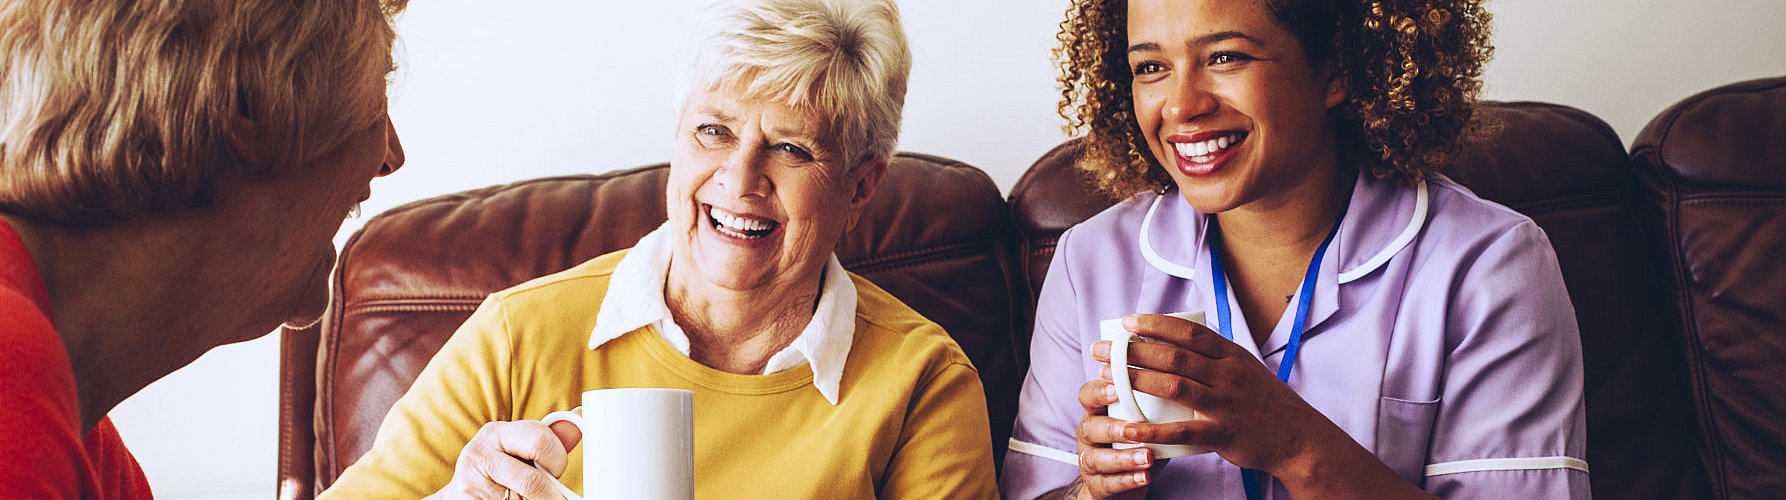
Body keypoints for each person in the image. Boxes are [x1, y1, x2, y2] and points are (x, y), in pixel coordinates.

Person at [318, 0, 998, 498]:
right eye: (713, 131)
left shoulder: (923, 380)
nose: (739, 180)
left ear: (860, 187)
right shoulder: (517, 333)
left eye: (791, 148)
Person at [1000, 0, 1589, 498]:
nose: (1180, 106)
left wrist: (1294, 443)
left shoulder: (1490, 264)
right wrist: (1092, 489)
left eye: (1225, 56)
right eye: (1150, 67)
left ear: (1335, 67)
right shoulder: (1090, 260)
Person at [0, 0, 409, 497]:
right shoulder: (10, 383)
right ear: (250, 106)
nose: (391, 155)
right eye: (373, 97)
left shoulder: (80, 435)